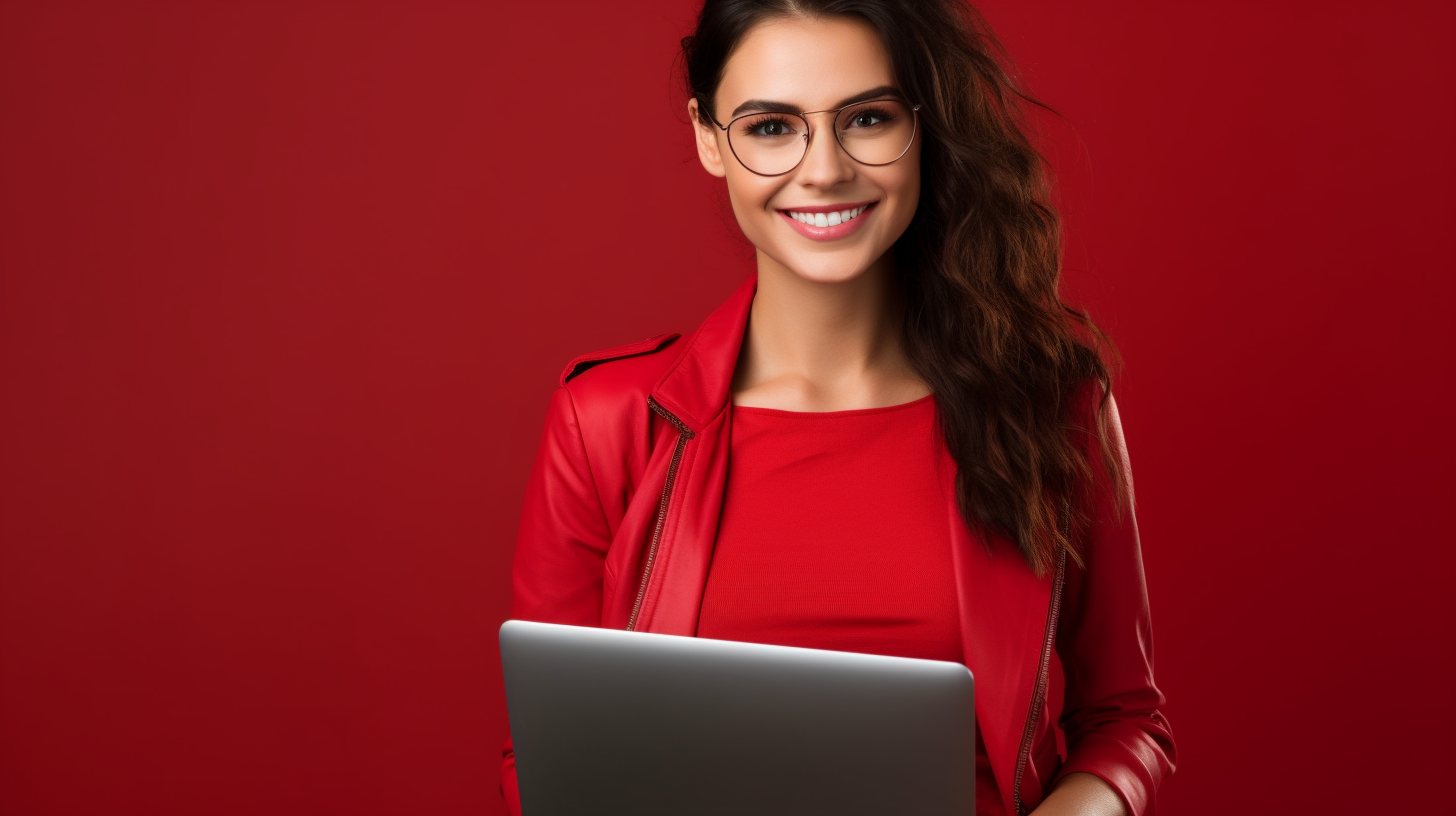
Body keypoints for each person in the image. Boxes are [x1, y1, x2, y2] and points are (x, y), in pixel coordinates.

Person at [501, 0, 1176, 813]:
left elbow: (1124, 720)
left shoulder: (1054, 403)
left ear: (923, 125)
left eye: (866, 118)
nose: (824, 170)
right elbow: (546, 755)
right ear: (708, 138)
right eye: (771, 128)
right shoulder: (605, 420)